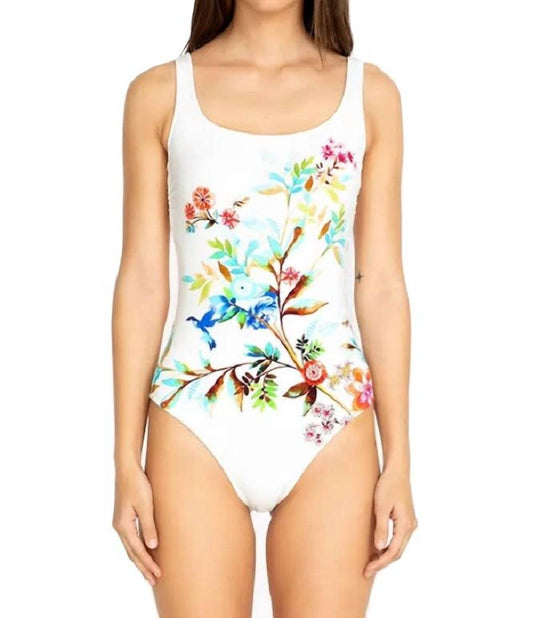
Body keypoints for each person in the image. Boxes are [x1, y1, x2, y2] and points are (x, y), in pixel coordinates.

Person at [112, 0, 417, 615]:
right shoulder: (159, 94)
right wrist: (124, 461)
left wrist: (400, 459)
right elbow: (143, 280)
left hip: (330, 423)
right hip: (193, 421)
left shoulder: (371, 95)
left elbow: (381, 283)